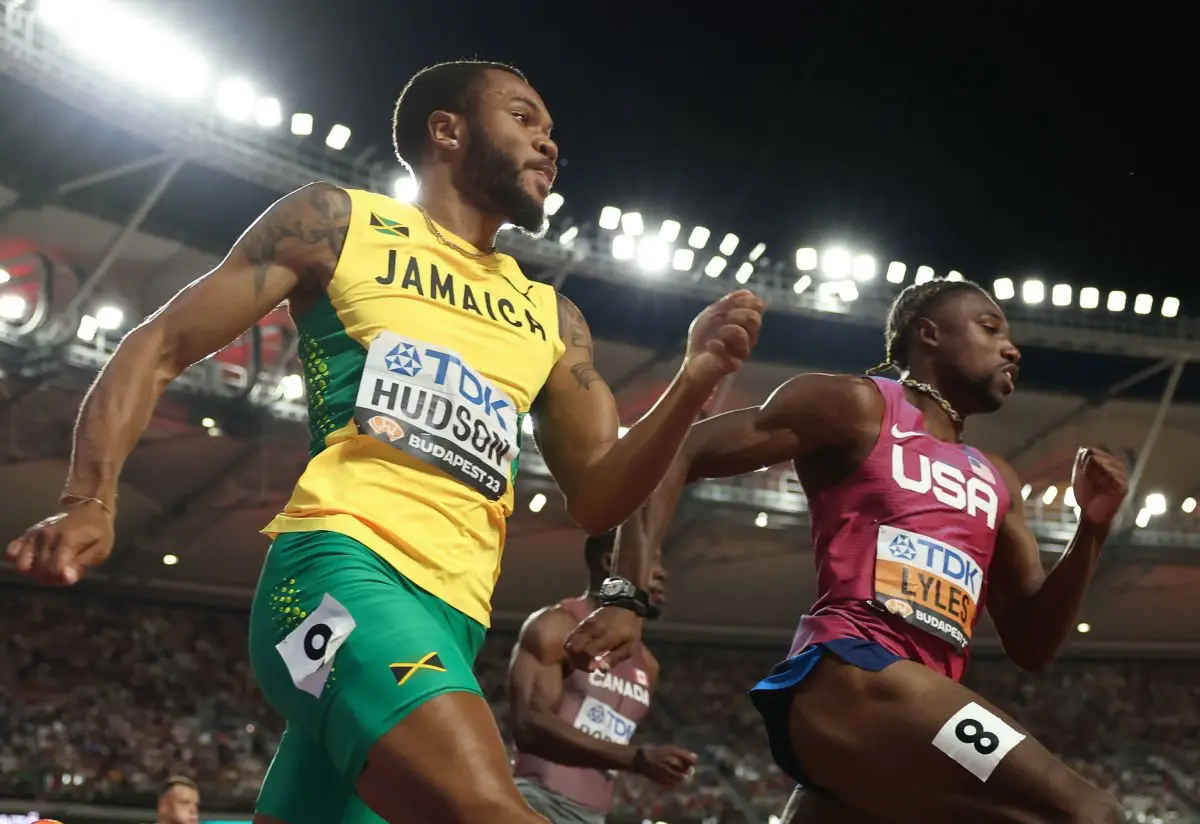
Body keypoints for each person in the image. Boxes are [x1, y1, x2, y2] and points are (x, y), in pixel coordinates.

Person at [6, 60, 764, 824]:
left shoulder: (551, 317)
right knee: (489, 811)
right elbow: (162, 342)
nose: (549, 144)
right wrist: (89, 500)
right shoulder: (337, 223)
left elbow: (600, 490)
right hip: (337, 574)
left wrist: (693, 380)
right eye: (524, 118)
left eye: (551, 130)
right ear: (447, 130)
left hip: (455, 617)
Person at [567, 278, 1130, 823]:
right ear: (929, 334)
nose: (1011, 347)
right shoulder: (856, 405)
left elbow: (1032, 645)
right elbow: (674, 451)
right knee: (1091, 813)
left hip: (903, 722)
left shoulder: (996, 480)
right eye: (989, 328)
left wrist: (1092, 531)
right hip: (855, 673)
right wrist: (626, 596)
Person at [509, 530, 696, 824]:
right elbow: (529, 724)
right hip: (539, 801)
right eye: (652, 562)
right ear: (611, 563)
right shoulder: (557, 626)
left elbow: (606, 747)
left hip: (594, 816)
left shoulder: (649, 665)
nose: (662, 573)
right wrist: (636, 758)